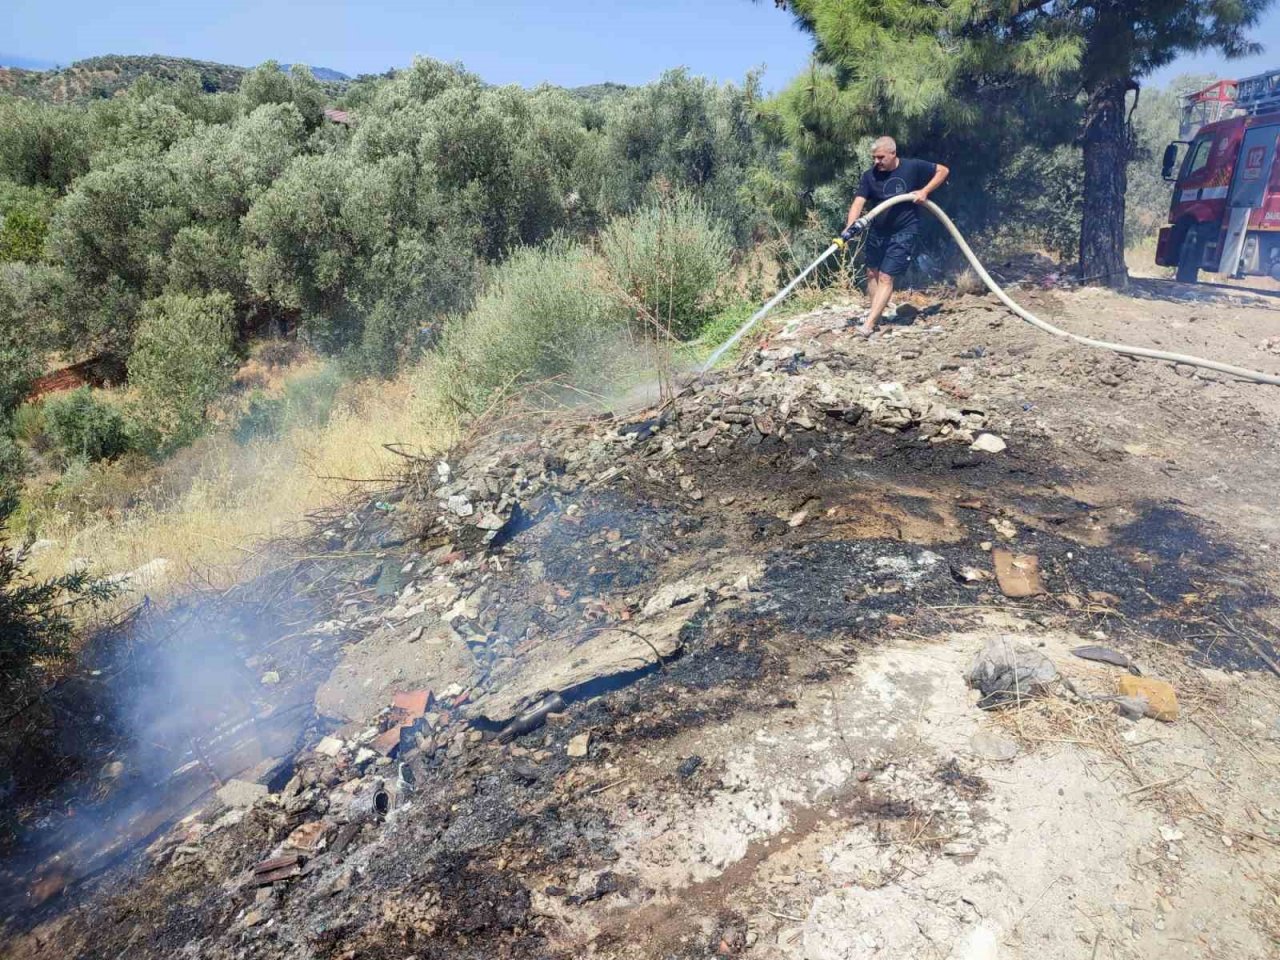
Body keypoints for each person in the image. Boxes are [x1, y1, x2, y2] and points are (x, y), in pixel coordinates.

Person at [840, 137, 949, 337]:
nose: (877, 162)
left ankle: (869, 324)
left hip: (904, 230)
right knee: (872, 273)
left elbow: (943, 170)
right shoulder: (869, 176)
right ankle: (877, 314)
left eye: (880, 157)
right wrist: (850, 227)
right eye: (874, 158)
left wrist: (925, 191)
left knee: (886, 276)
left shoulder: (912, 167)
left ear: (893, 153)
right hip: (878, 230)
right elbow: (858, 203)